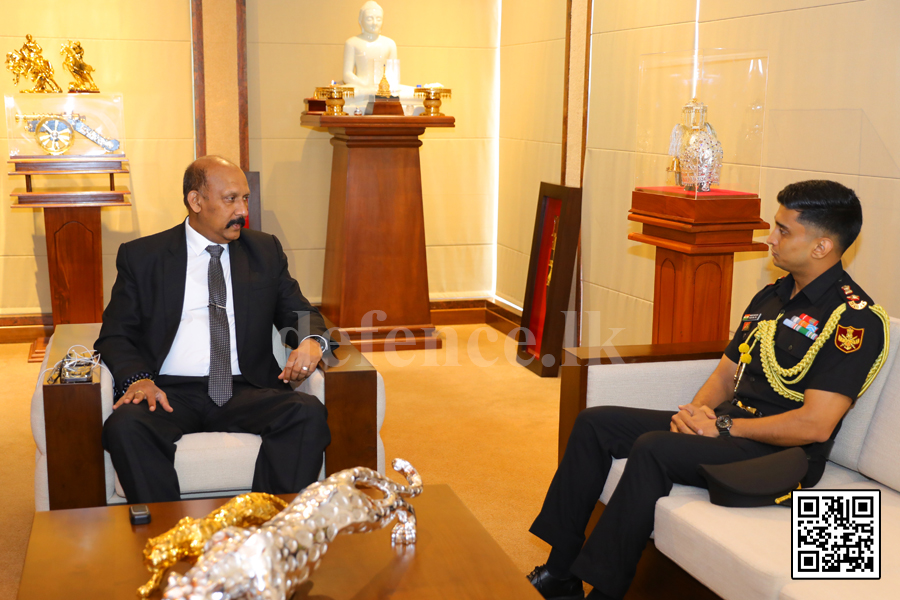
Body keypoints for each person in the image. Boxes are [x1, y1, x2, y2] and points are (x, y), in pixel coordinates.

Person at [527, 180, 890, 600]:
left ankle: (604, 593)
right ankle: (560, 572)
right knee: (595, 423)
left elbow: (815, 425)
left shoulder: (854, 321)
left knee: (653, 448)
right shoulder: (773, 296)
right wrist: (692, 415)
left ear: (822, 246)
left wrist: (721, 429)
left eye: (783, 230)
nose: (770, 238)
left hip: (783, 459)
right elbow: (724, 375)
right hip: (729, 431)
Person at [96, 155, 331, 504]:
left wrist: (312, 341)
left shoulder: (263, 250)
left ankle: (267, 526)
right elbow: (116, 334)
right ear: (196, 201)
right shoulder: (144, 257)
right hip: (169, 390)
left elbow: (297, 310)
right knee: (126, 426)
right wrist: (138, 380)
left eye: (245, 198)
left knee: (307, 412)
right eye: (231, 199)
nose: (242, 210)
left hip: (244, 387)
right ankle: (170, 535)